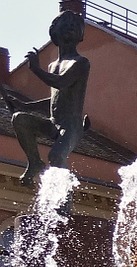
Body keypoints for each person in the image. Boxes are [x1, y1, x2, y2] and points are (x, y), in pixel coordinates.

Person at [2, 11, 90, 185]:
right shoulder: (52, 65)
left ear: (81, 35)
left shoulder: (80, 62)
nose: (71, 25)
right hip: (53, 122)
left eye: (75, 23)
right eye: (65, 22)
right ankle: (34, 162)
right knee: (19, 119)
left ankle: (64, 205)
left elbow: (60, 83)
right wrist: (25, 106)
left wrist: (35, 69)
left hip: (71, 125)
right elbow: (56, 100)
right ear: (54, 31)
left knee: (56, 156)